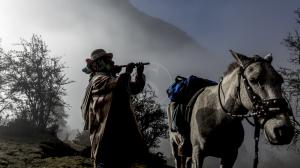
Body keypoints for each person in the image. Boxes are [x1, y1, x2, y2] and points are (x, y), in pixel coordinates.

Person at [81, 49, 147, 168]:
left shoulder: (108, 77)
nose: (112, 62)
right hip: (105, 140)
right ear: (99, 64)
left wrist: (139, 74)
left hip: (117, 137)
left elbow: (134, 88)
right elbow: (120, 86)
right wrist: (127, 72)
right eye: (108, 60)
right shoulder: (98, 79)